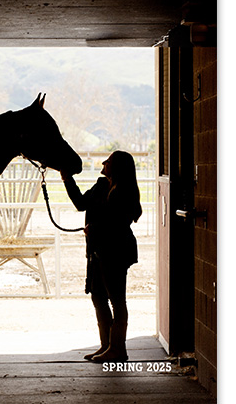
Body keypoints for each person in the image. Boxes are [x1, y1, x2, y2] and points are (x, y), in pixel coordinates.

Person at [58, 150, 142, 363]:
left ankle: (118, 348)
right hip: (99, 249)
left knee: (116, 300)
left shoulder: (123, 192)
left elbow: (116, 222)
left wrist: (94, 228)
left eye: (110, 161)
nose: (104, 162)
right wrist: (67, 180)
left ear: (118, 167)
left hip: (115, 250)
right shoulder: (102, 185)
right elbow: (80, 203)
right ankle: (107, 345)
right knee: (98, 297)